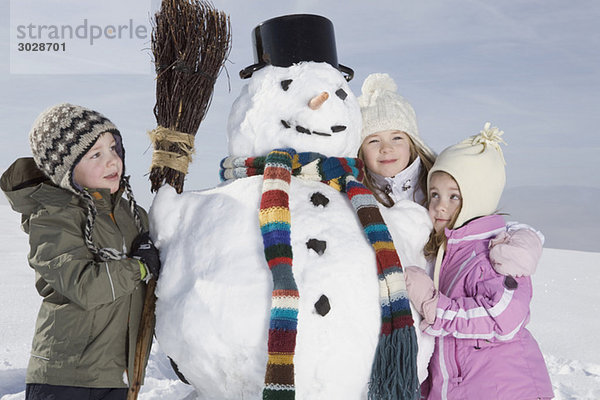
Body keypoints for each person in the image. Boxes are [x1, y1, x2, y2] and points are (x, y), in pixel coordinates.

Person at [0, 103, 161, 400]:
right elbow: (83, 285)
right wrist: (138, 267)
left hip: (119, 374)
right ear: (66, 168)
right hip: (67, 378)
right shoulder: (53, 216)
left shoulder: (132, 214)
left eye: (114, 148)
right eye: (96, 154)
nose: (112, 161)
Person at [404, 123, 554, 399]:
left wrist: (433, 306)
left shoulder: (493, 254)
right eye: (434, 194)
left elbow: (502, 316)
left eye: (454, 196)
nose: (440, 205)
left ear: (477, 199)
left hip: (507, 389)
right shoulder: (448, 253)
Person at [357, 72, 437, 207]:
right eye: (374, 141)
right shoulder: (356, 194)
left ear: (412, 144)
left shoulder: (437, 185)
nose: (386, 148)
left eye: (397, 138)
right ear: (360, 151)